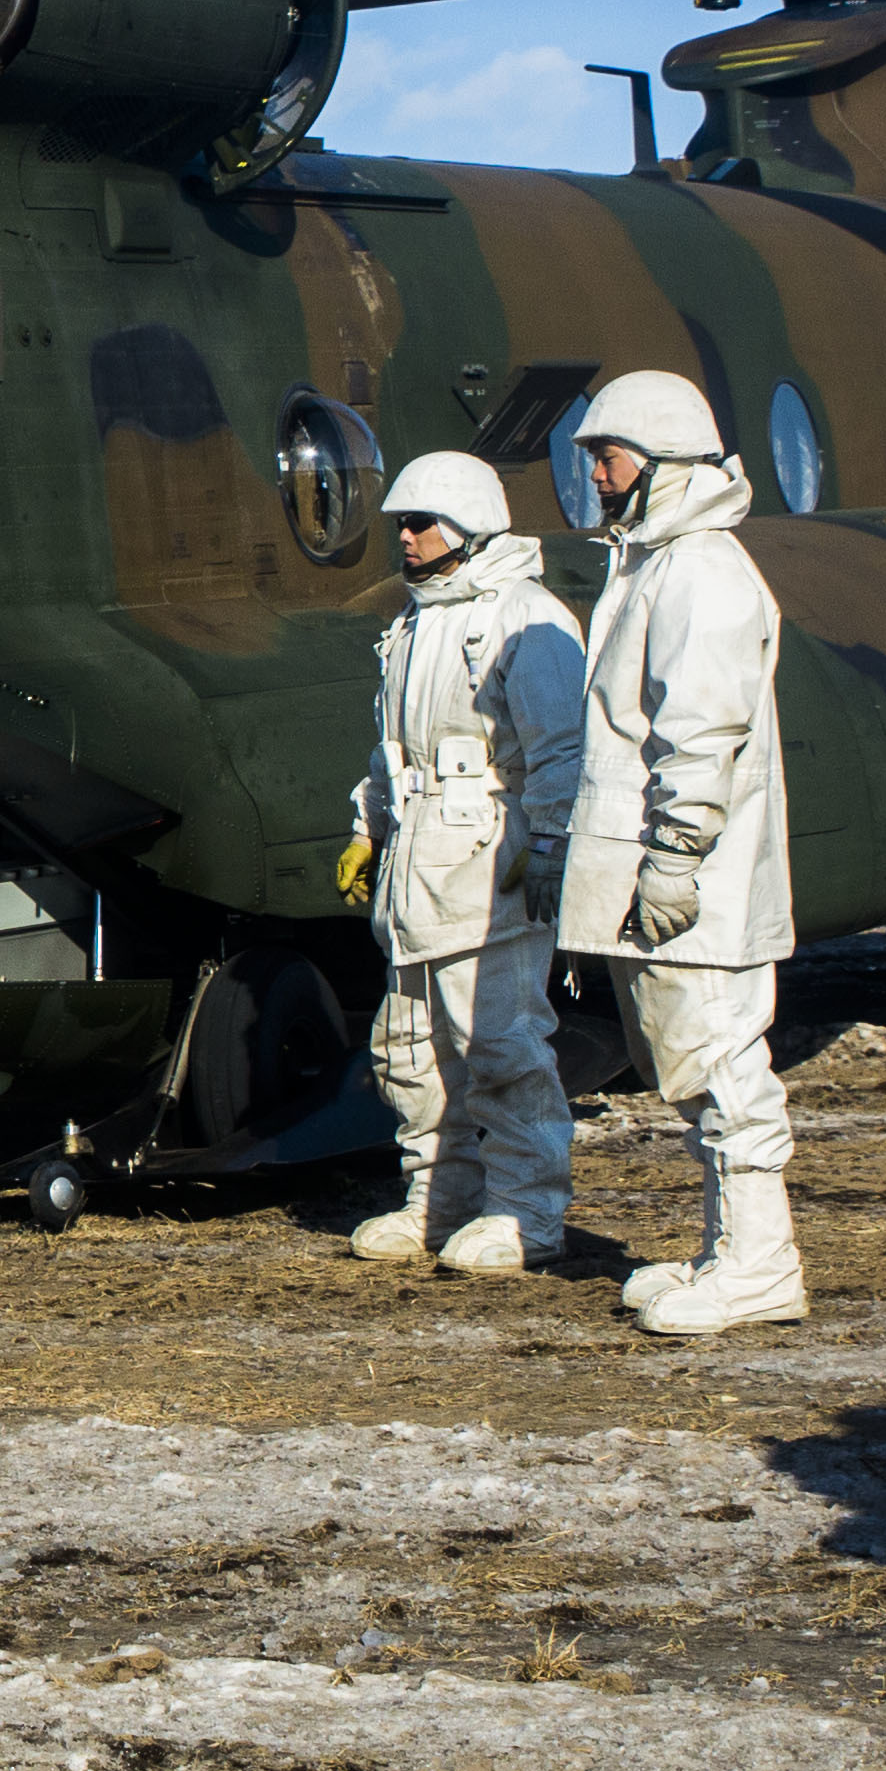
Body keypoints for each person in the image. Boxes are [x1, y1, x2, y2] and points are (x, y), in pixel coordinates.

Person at [555, 371, 801, 1340]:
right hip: (672, 872)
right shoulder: (653, 568)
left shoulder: (699, 571)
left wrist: (672, 857)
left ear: (658, 463)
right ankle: (726, 1252)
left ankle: (758, 1264)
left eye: (606, 459)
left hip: (697, 880)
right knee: (693, 1067)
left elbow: (698, 734)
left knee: (721, 1065)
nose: (597, 479)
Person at [343, 450, 586, 1276]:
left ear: (471, 526)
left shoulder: (524, 617)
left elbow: (559, 750)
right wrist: (367, 827)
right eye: (400, 525)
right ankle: (437, 1198)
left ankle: (526, 1212)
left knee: (502, 1045)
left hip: (491, 870)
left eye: (419, 523)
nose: (404, 539)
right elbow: (394, 752)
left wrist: (549, 847)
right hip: (418, 867)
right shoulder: (411, 624)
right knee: (409, 1047)